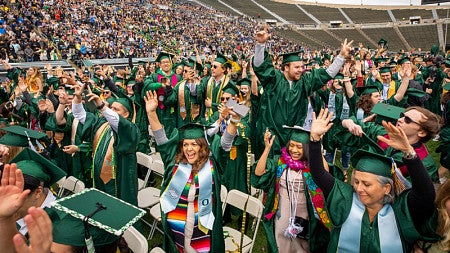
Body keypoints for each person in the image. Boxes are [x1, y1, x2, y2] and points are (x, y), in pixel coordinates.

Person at [308, 108, 440, 253]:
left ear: (421, 132)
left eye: (407, 119)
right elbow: (319, 174)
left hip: (390, 209)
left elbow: (425, 198)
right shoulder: (346, 199)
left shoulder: (401, 212)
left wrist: (409, 153)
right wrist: (345, 124)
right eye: (402, 115)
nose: (401, 119)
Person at [145, 90, 239, 252]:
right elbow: (161, 139)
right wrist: (151, 113)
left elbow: (225, 144)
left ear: (202, 147)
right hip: (176, 223)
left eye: (194, 144)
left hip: (203, 224)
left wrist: (234, 120)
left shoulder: (212, 165)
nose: (189, 149)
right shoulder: (174, 162)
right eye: (186, 144)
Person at [252, 24, 353, 156]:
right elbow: (260, 67)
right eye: (297, 67)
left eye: (302, 66)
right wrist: (260, 45)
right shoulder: (273, 80)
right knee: (270, 170)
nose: (301, 69)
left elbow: (325, 74)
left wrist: (340, 56)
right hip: (272, 134)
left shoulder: (304, 82)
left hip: (294, 136)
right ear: (286, 67)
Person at [252, 127, 331, 253]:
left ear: (306, 147)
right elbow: (259, 172)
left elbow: (325, 173)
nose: (294, 150)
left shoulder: (313, 165)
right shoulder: (281, 162)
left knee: (303, 244)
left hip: (305, 214)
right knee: (281, 242)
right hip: (283, 212)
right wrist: (267, 148)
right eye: (292, 145)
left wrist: (317, 145)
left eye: (299, 147)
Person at [72, 82, 139, 205]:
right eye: (111, 108)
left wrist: (103, 106)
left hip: (118, 179)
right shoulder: (102, 123)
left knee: (117, 208)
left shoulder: (130, 130)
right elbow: (80, 115)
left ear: (126, 114)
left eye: (116, 109)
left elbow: (117, 121)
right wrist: (77, 99)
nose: (111, 111)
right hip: (98, 175)